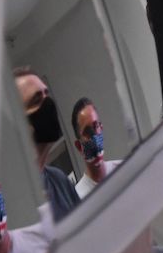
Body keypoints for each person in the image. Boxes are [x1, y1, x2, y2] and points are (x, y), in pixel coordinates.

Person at [13, 67, 80, 222]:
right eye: (37, 100)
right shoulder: (7, 199)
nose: (48, 104)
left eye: (46, 94)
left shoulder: (59, 180)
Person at [71, 97, 122, 197]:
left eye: (96, 126)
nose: (94, 136)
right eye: (87, 132)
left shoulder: (124, 171)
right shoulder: (77, 200)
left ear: (101, 128)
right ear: (79, 146)